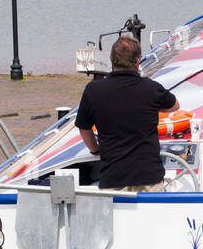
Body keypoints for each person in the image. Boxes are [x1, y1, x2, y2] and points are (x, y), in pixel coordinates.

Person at [75, 35, 180, 191]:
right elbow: (174, 106)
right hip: (149, 177)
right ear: (137, 63)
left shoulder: (93, 90)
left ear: (111, 60)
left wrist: (95, 149)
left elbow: (83, 127)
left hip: (113, 178)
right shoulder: (151, 88)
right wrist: (153, 107)